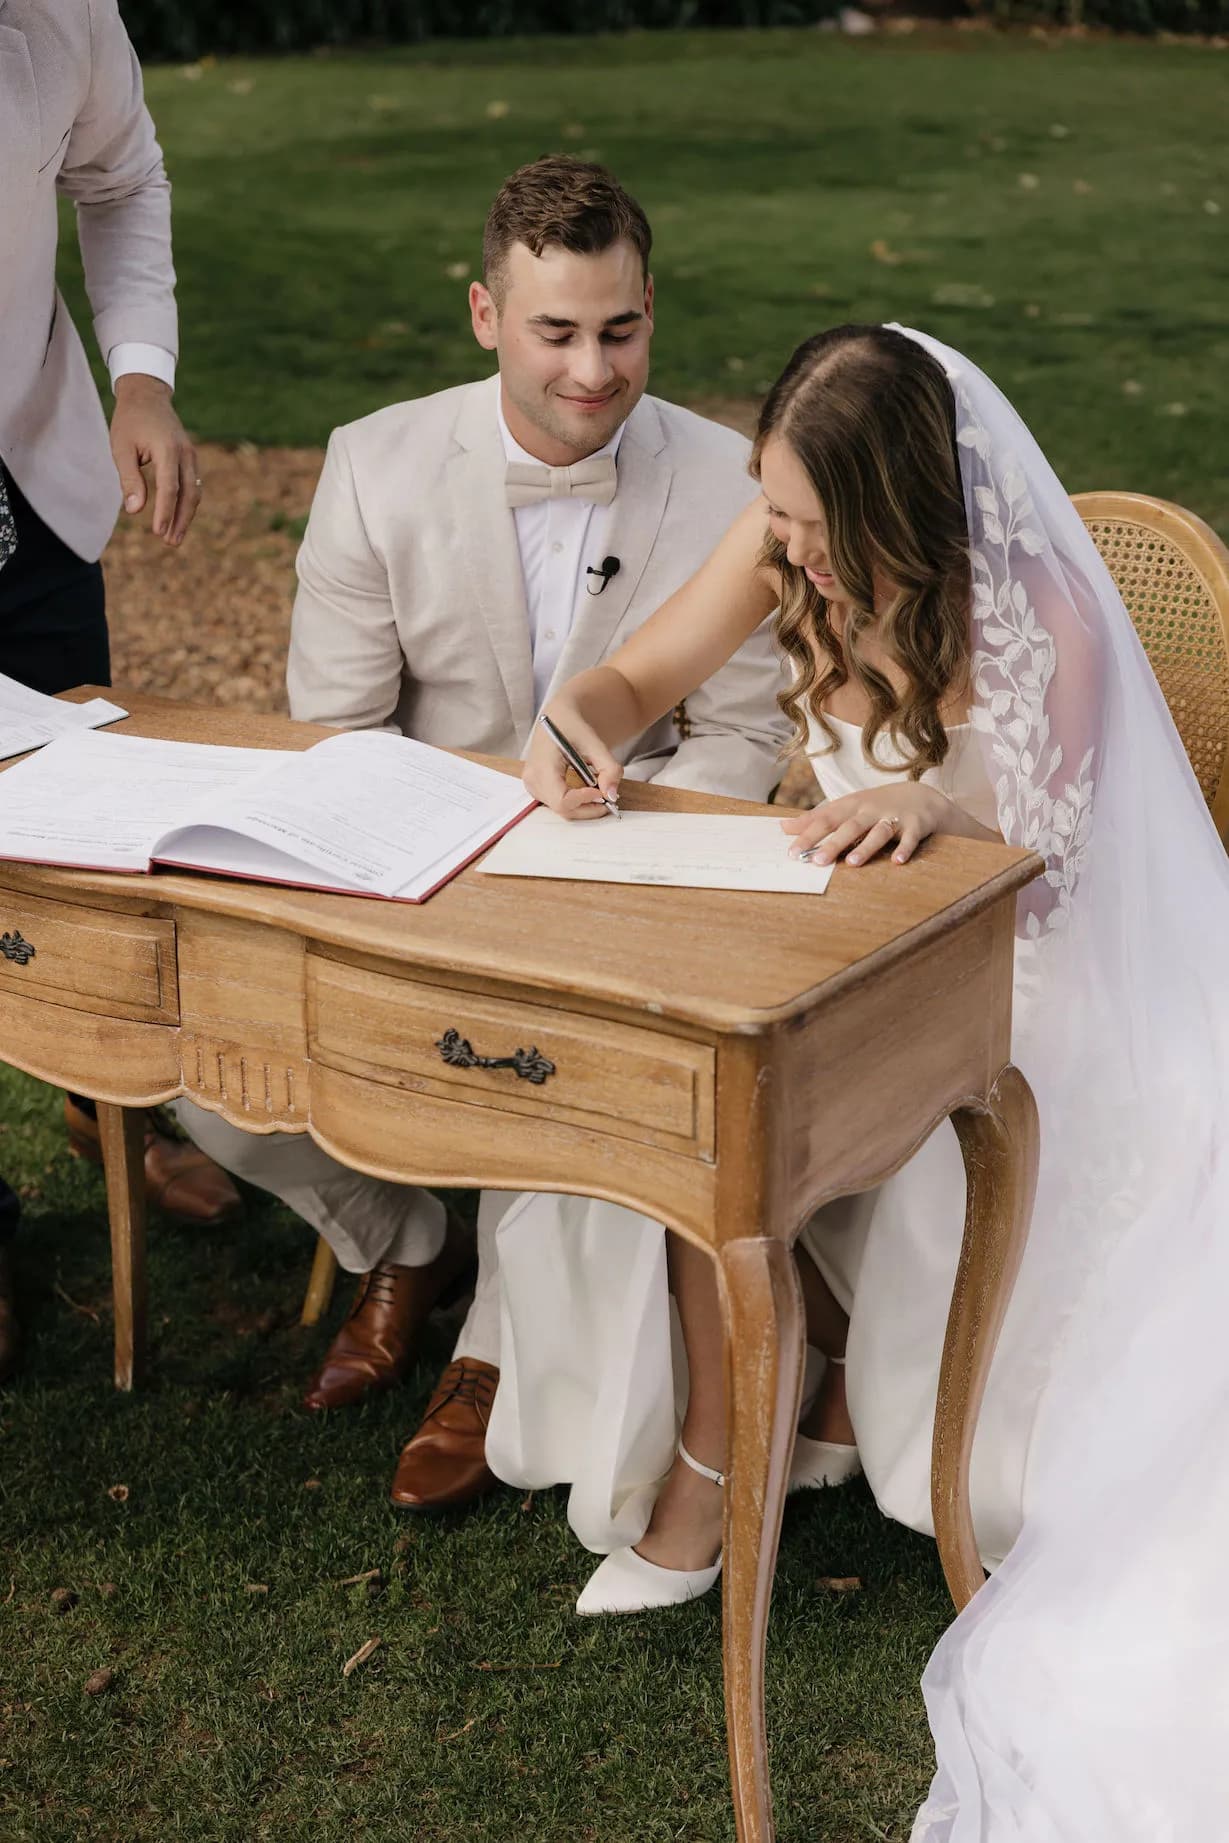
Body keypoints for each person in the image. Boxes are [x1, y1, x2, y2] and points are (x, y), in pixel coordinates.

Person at [525, 312, 1229, 1801]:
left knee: (783, 1112)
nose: (781, 544)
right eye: (772, 509)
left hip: (1021, 978)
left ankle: (806, 1417)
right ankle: (735, 1449)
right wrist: (574, 732)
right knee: (675, 1086)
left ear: (902, 510)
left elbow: (1062, 874)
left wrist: (949, 829)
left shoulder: (1047, 621)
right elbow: (626, 683)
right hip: (822, 937)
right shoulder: (781, 543)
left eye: (808, 519)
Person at [172, 157, 791, 1517]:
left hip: (625, 874)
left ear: (649, 311)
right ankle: (401, 1236)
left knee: (547, 1058)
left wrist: (618, 849)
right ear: (481, 315)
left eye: (619, 330)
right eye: (554, 332)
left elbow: (745, 739)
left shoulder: (730, 478)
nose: (591, 371)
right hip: (417, 865)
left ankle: (490, 1355)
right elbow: (334, 735)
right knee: (192, 1063)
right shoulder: (375, 463)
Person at [0, 0, 239, 1385]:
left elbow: (124, 179)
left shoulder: (65, 16)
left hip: (28, 486)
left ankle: (107, 1110)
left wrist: (138, 381)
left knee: (75, 835)